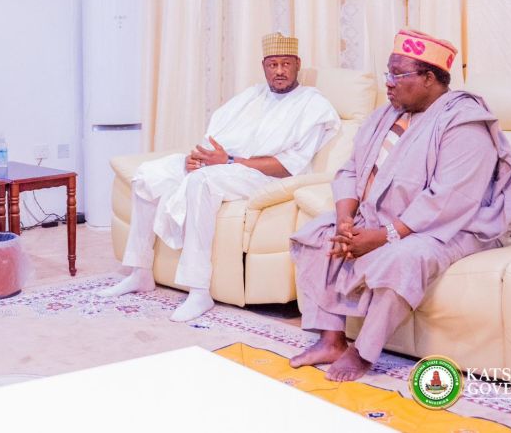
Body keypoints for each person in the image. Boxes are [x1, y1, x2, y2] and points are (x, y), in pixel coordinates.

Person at [288, 29, 511, 381]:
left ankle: (362, 352)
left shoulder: (465, 122)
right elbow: (351, 170)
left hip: (454, 227)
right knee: (319, 234)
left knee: (404, 258)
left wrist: (384, 236)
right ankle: (331, 339)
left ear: (429, 78)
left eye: (398, 74)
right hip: (386, 218)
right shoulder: (385, 116)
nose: (389, 83)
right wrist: (346, 220)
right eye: (388, 73)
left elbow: (449, 200)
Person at [99, 33, 340, 322]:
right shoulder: (251, 97)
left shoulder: (312, 105)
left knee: (201, 182)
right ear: (263, 66)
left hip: (265, 177)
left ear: (297, 64)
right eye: (273, 64)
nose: (279, 71)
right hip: (225, 166)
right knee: (148, 175)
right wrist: (197, 158)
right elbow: (216, 140)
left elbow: (289, 166)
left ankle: (199, 290)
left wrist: (227, 161)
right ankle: (140, 272)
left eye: (285, 64)